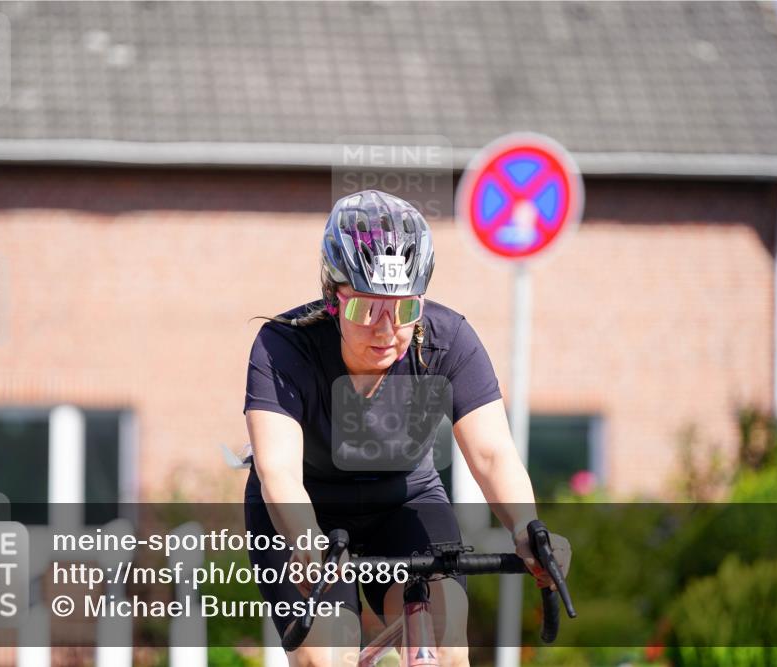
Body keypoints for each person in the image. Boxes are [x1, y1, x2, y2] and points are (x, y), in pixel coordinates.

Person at [243, 190, 570, 667]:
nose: (386, 329)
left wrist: (524, 526)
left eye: (404, 309)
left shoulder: (447, 341)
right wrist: (305, 539)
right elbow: (278, 471)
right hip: (306, 509)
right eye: (366, 310)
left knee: (446, 645)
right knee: (324, 656)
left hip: (404, 501)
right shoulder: (284, 347)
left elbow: (493, 454)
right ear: (333, 299)